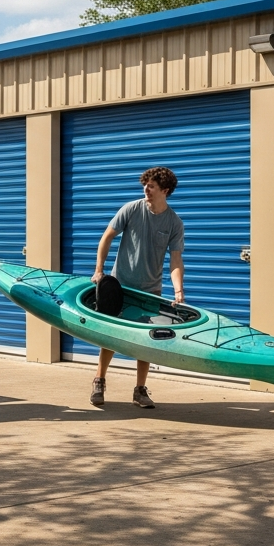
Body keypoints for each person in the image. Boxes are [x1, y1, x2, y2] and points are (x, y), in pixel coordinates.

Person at [89, 166, 185, 409]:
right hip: (119, 285)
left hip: (149, 291)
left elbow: (175, 261)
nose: (146, 189)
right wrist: (99, 270)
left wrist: (178, 291)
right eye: (145, 185)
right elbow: (107, 237)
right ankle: (99, 381)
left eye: (151, 186)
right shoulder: (132, 209)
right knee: (110, 337)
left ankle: (140, 390)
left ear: (165, 190)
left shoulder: (174, 223)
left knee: (145, 341)